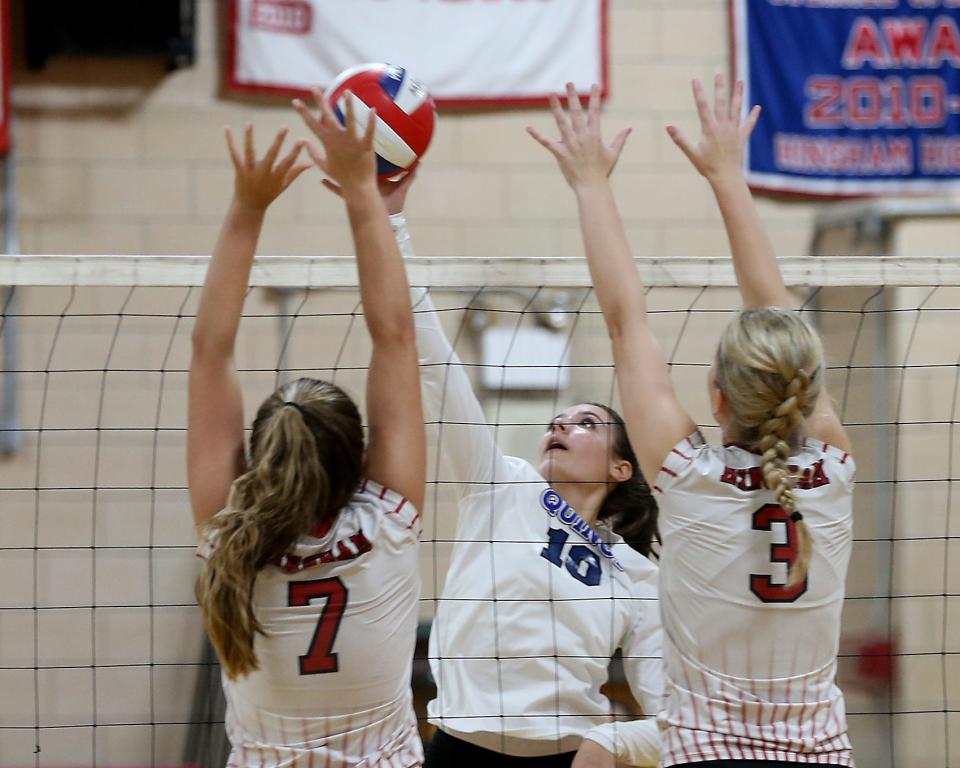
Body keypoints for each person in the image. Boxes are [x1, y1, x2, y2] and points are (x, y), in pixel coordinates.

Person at [532, 78, 855, 768]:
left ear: (715, 397)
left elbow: (626, 322)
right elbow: (780, 317)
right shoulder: (834, 465)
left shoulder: (688, 474)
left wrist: (590, 182)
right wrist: (728, 178)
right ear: (806, 388)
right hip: (821, 757)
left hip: (707, 755)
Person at [374, 175, 662, 766]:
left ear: (620, 466)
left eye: (584, 422)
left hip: (566, 756)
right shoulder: (500, 483)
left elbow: (669, 714)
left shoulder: (636, 574)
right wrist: (389, 222)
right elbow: (433, 359)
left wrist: (614, 742)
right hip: (460, 750)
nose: (560, 426)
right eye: (557, 420)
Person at [187, 91, 426, 767]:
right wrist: (361, 193)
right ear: (361, 458)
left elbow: (210, 353)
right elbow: (396, 337)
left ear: (254, 459)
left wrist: (248, 208)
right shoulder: (388, 522)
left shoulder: (228, 533)